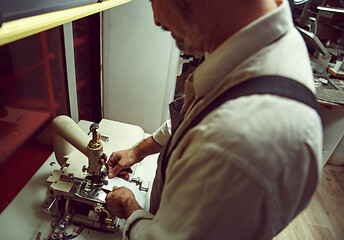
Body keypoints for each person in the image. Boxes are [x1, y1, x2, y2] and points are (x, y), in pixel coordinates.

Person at [105, 0, 323, 239]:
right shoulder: (253, 42)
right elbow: (197, 117)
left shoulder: (235, 145)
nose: (156, 19)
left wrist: (130, 209)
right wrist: (138, 152)